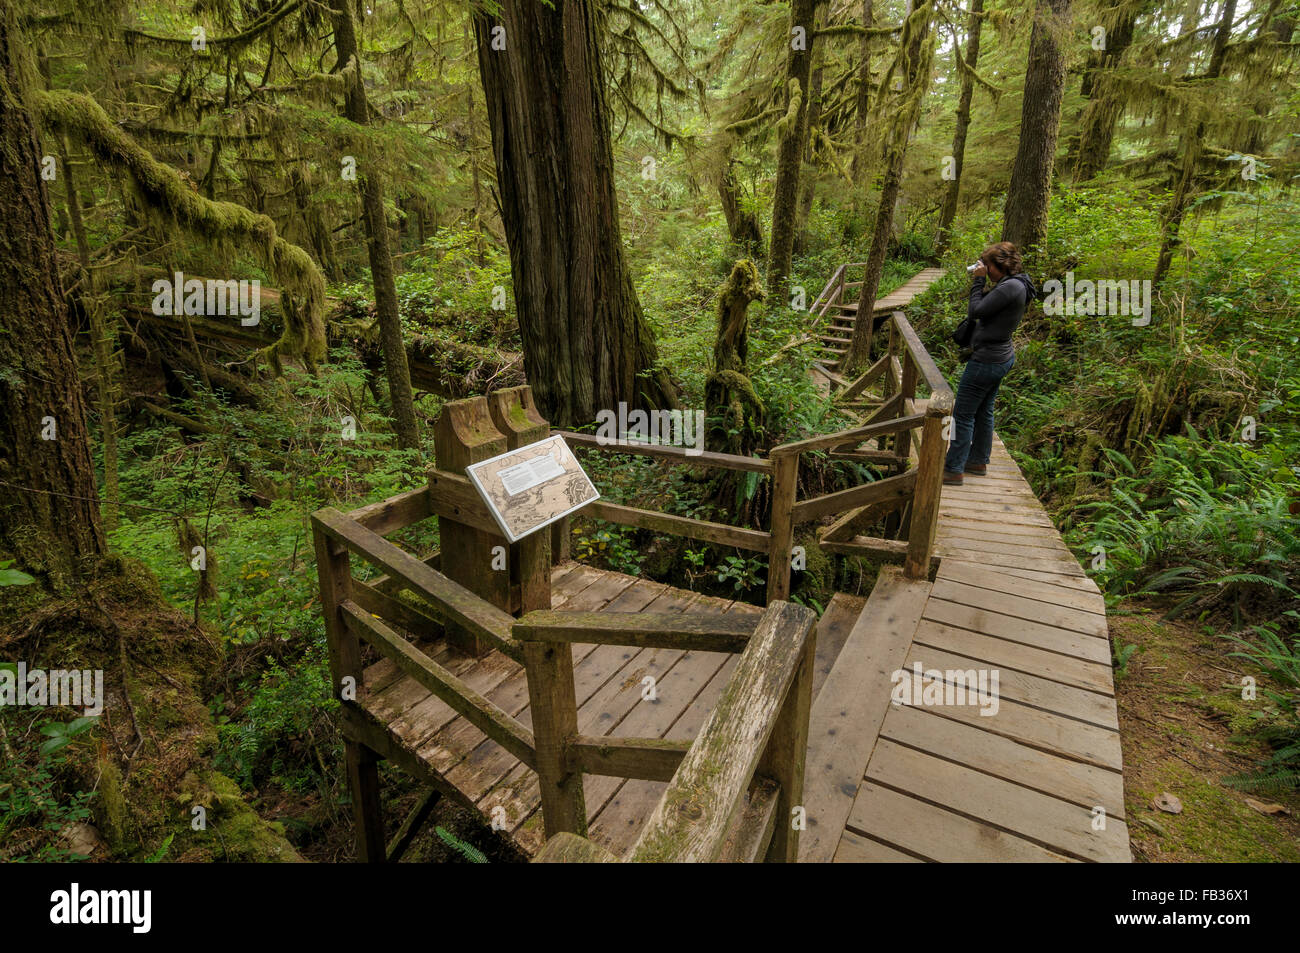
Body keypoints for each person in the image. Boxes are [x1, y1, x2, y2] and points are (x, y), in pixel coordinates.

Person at [943, 241, 1036, 485]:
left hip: (987, 360)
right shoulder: (1015, 284)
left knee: (962, 414)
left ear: (1000, 266)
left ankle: (953, 469)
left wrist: (978, 281)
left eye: (987, 265)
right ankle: (977, 460)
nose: (983, 268)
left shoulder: (1010, 287)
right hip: (999, 357)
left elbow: (976, 311)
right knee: (983, 411)